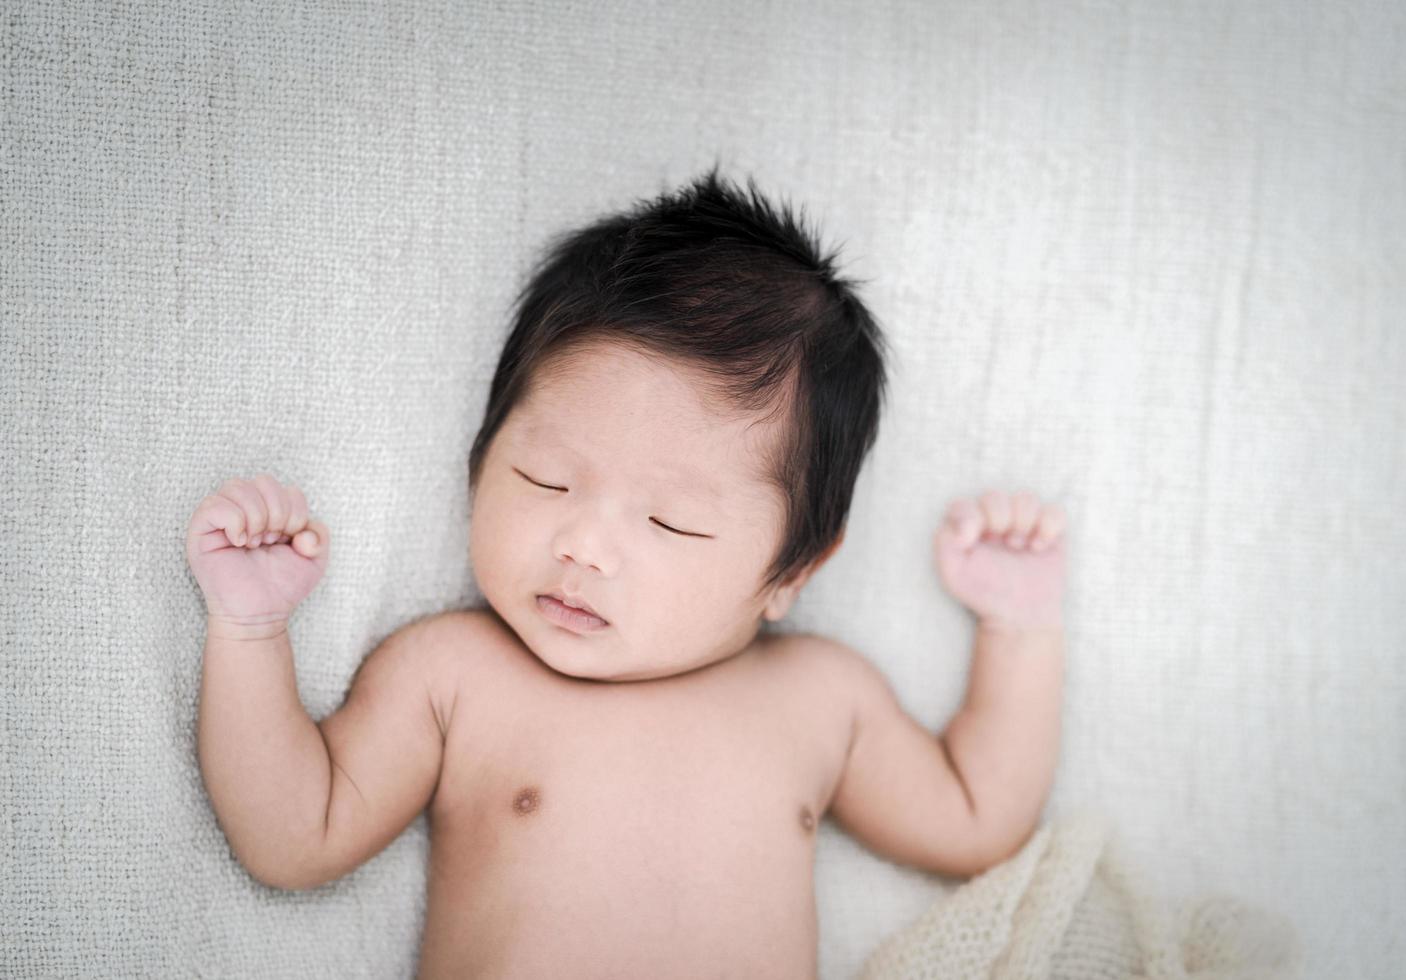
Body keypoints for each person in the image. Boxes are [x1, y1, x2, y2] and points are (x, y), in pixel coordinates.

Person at [185, 164, 1069, 978]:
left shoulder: (822, 698)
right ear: (479, 459)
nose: (585, 545)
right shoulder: (451, 675)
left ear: (790, 572)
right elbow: (293, 838)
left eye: (670, 521)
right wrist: (251, 631)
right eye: (546, 478)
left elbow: (976, 821)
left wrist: (1018, 628)